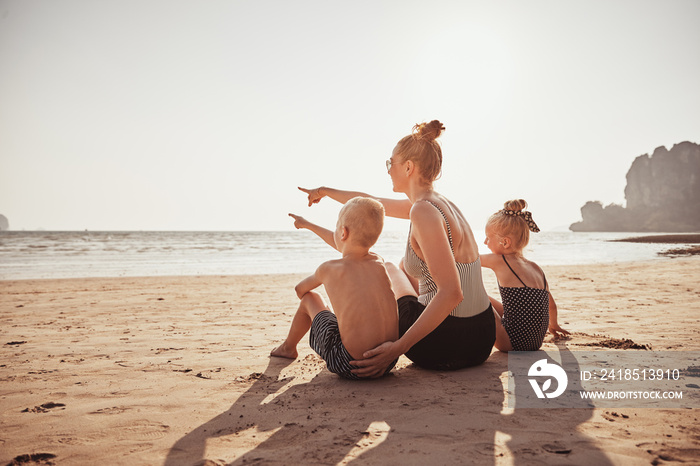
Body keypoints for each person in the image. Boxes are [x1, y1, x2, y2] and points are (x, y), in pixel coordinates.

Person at [298, 120, 496, 377]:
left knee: (391, 266)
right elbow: (369, 201)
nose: (389, 170)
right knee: (403, 266)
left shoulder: (423, 211)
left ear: (409, 167)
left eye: (391, 163)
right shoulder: (439, 203)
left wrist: (397, 349)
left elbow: (452, 293)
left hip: (447, 345)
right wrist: (324, 191)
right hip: (481, 338)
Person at [270, 197, 399, 380]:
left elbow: (300, 290)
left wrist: (326, 308)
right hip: (387, 360)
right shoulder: (378, 262)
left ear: (343, 232)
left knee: (311, 298)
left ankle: (288, 348)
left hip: (351, 364)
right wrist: (308, 225)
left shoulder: (329, 268)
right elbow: (346, 245)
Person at [481, 200, 570, 352]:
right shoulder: (536, 268)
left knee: (476, 297)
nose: (484, 242)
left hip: (511, 343)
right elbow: (551, 305)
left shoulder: (500, 260)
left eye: (488, 238)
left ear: (505, 242)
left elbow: (466, 259)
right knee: (486, 298)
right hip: (536, 343)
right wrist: (553, 325)